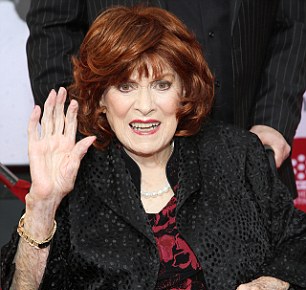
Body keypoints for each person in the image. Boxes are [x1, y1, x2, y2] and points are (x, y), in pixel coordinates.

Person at [2, 6, 306, 290]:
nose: (144, 107)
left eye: (161, 85)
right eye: (125, 87)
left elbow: (297, 238)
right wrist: (42, 203)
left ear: (184, 92)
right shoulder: (77, 176)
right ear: (100, 99)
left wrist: (272, 283)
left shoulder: (234, 154)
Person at [25, 0, 306, 197]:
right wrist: (86, 136)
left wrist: (273, 120)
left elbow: (294, 22)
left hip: (249, 151)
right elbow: (52, 28)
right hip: (116, 165)